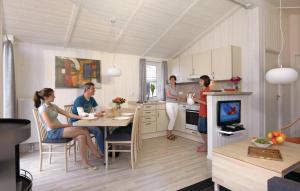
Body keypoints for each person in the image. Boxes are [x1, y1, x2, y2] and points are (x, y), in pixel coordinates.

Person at [33, 88, 102, 170]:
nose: (54, 97)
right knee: (84, 130)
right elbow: (51, 126)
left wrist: (81, 117)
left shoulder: (53, 106)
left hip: (60, 129)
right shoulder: (43, 109)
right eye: (52, 95)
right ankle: (95, 152)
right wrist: (68, 125)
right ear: (45, 97)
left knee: (82, 136)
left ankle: (85, 163)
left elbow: (68, 114)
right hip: (53, 132)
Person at [70, 82, 105, 155]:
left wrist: (100, 112)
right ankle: (104, 152)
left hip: (87, 121)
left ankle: (107, 148)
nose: (94, 90)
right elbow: (81, 114)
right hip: (78, 123)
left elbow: (97, 109)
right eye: (93, 89)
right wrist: (95, 114)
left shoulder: (92, 99)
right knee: (97, 130)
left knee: (104, 128)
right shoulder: (79, 99)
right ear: (87, 89)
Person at [193, 75, 211, 152]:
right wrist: (196, 99)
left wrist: (197, 100)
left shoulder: (207, 90)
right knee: (201, 130)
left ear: (205, 81)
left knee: (204, 131)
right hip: (202, 112)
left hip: (205, 113)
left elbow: (208, 103)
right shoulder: (202, 90)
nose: (199, 82)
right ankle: (206, 145)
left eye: (201, 80)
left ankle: (207, 147)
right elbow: (202, 100)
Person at [165, 75, 183, 140]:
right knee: (172, 118)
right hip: (169, 104)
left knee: (174, 119)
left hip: (176, 104)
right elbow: (168, 95)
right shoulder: (167, 86)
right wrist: (177, 97)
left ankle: (170, 133)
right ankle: (168, 134)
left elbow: (179, 95)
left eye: (173, 79)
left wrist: (180, 98)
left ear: (175, 80)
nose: (172, 81)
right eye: (171, 80)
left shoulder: (177, 87)